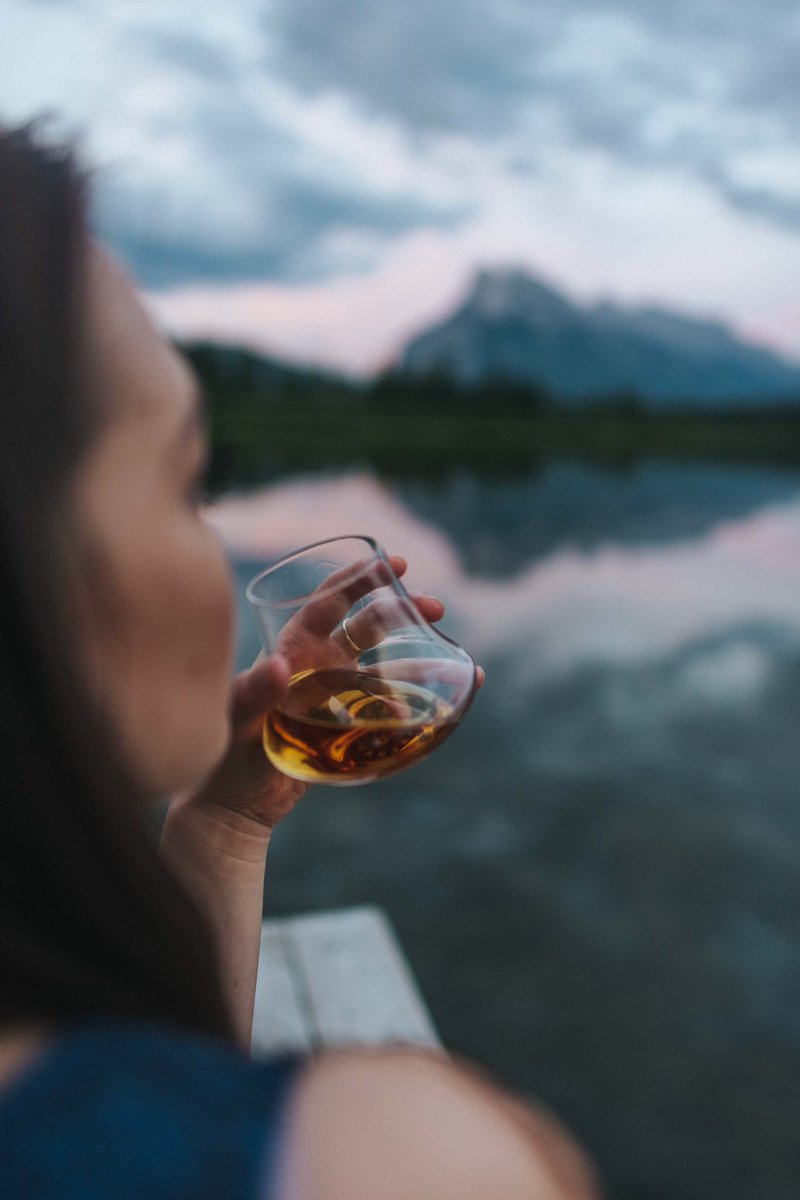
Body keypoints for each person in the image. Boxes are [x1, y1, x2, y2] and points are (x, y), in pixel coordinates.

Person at [0, 122, 600, 1199]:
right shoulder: (382, 1157)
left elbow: (159, 1088)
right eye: (189, 484)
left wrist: (223, 826)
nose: (220, 549)